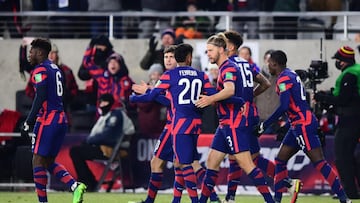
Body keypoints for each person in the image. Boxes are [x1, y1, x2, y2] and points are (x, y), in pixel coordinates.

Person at [255, 50, 352, 203]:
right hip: (297, 124)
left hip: (303, 125)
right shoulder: (291, 74)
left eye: (269, 64)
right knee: (280, 160)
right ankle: (277, 199)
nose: (268, 67)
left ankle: (344, 199)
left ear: (274, 63)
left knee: (319, 162)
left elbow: (284, 106)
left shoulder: (284, 78)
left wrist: (265, 124)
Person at [131, 45, 221, 203]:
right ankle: (204, 197)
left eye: (171, 57)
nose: (168, 60)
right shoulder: (177, 76)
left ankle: (153, 201)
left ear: (178, 58)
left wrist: (147, 93)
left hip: (175, 126)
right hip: (185, 124)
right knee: (184, 163)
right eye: (165, 57)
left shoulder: (172, 76)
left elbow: (169, 101)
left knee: (177, 163)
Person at [195, 35, 274, 203]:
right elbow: (238, 93)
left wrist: (211, 99)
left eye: (210, 50)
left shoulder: (228, 68)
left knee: (247, 164)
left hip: (234, 123)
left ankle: (271, 200)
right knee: (211, 162)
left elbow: (230, 90)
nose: (207, 53)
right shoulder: (228, 66)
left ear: (222, 49)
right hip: (225, 124)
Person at [20, 38, 86, 203]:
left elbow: (40, 95)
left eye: (32, 51)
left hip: (47, 119)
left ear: (40, 53)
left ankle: (43, 202)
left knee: (37, 159)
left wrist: (29, 120)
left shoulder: (40, 69)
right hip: (61, 118)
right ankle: (74, 186)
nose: (30, 53)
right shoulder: (55, 68)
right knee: (48, 161)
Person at [314, 46, 360, 199]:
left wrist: (323, 98)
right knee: (352, 157)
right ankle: (355, 190)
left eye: (338, 60)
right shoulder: (356, 70)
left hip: (349, 120)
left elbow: (343, 100)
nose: (337, 63)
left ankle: (350, 192)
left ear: (343, 61)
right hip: (354, 119)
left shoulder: (350, 75)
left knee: (342, 157)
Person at [69, 93, 135, 192]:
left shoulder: (116, 115)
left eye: (105, 102)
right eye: (101, 102)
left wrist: (90, 140)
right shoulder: (105, 116)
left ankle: (87, 182)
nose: (102, 105)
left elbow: (109, 136)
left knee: (75, 152)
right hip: (103, 147)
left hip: (111, 149)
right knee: (77, 150)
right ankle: (89, 182)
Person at [25, 43, 79, 114]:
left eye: (53, 53)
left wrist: (68, 97)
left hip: (62, 108)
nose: (50, 55)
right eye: (48, 53)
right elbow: (30, 89)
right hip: (43, 110)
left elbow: (74, 88)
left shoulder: (66, 71)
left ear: (57, 55)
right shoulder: (38, 71)